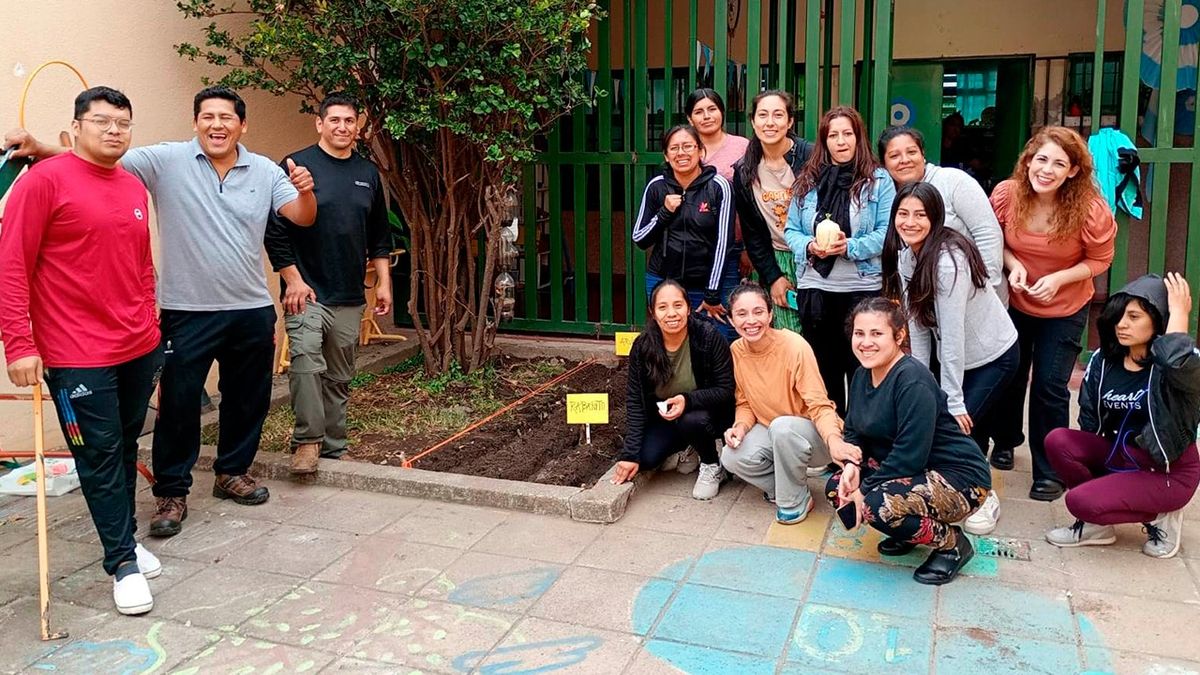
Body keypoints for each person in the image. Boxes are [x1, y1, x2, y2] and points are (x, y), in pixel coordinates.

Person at [3, 86, 318, 536]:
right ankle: (172, 491)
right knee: (179, 405)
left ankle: (232, 472)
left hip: (249, 307)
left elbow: (301, 216)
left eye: (226, 117)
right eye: (207, 116)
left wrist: (306, 193)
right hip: (185, 310)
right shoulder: (165, 161)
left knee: (249, 398)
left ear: (241, 125)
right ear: (195, 122)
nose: (217, 124)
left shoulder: (266, 170)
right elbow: (97, 160)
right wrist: (41, 148)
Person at [0, 87, 162, 614]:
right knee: (98, 453)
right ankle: (122, 562)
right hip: (74, 352)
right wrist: (19, 343)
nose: (114, 131)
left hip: (137, 345)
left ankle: (127, 538)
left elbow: (140, 264)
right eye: (102, 121)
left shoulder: (134, 186)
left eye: (124, 123)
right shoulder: (43, 183)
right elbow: (12, 266)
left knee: (126, 446)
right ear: (76, 127)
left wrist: (150, 321)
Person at [265, 93, 392, 475]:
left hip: (349, 293)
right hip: (306, 290)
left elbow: (380, 235)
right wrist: (292, 280)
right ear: (319, 124)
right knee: (305, 364)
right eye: (334, 120)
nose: (342, 127)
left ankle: (334, 445)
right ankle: (307, 442)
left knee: (339, 374)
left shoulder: (367, 173)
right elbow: (275, 230)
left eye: (349, 121)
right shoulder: (296, 166)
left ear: (358, 127)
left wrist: (383, 283)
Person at [881, 182, 1018, 535]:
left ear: (936, 218)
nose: (910, 222)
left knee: (959, 425)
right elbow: (918, 326)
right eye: (903, 213)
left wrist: (952, 400)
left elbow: (953, 334)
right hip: (958, 355)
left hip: (993, 355)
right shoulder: (907, 255)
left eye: (920, 215)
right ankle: (951, 487)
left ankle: (984, 498)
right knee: (949, 420)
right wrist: (920, 383)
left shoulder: (948, 261)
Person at [989, 126, 1117, 501]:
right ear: (1028, 160)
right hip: (1016, 299)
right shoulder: (1007, 195)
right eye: (1041, 159)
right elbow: (992, 241)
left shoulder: (1090, 209)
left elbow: (1100, 259)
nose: (1046, 169)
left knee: (1049, 385)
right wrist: (1012, 266)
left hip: (1065, 305)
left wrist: (1060, 278)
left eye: (1059, 163)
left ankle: (1049, 468)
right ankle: (1007, 439)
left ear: (1073, 171)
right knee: (1009, 374)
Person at [829, 298, 992, 585]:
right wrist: (851, 466)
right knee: (837, 486)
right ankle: (908, 530)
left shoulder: (912, 379)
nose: (866, 342)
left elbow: (909, 455)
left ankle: (952, 545)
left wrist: (864, 489)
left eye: (876, 334)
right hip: (909, 470)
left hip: (959, 476)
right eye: (859, 333)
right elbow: (853, 430)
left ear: (899, 335)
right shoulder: (860, 375)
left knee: (877, 505)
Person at [1044, 273, 1200, 559]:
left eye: (1134, 317)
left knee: (1079, 501)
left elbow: (1178, 363)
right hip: (1123, 454)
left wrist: (1179, 313)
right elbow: (1090, 420)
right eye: (1119, 317)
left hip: (1168, 470)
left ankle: (1161, 515)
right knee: (1059, 440)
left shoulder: (1178, 367)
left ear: (1158, 320)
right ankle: (1097, 524)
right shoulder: (1104, 361)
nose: (1122, 325)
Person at [784, 106, 895, 415]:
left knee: (862, 367)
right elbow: (790, 229)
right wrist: (809, 245)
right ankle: (832, 440)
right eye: (833, 135)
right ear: (824, 140)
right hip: (816, 288)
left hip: (861, 287)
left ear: (859, 138)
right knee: (824, 367)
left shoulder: (878, 180)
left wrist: (849, 247)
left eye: (848, 134)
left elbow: (887, 234)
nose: (841, 141)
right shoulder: (807, 180)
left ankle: (861, 438)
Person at [720, 283, 860, 524]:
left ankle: (792, 500)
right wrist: (739, 428)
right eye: (741, 314)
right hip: (774, 432)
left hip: (812, 436)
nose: (751, 320)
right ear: (731, 320)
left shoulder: (794, 346)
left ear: (770, 313)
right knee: (731, 456)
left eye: (758, 311)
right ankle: (793, 489)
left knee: (782, 427)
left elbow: (819, 404)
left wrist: (835, 440)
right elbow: (744, 402)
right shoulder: (736, 351)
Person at [612, 279, 734, 500]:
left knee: (692, 420)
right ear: (653, 312)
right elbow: (635, 399)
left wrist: (687, 400)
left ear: (688, 308)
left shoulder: (709, 337)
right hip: (665, 417)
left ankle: (710, 463)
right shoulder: (643, 345)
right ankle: (688, 446)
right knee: (646, 459)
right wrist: (629, 454)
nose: (671, 313)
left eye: (678, 305)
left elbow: (725, 390)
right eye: (663, 307)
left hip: (706, 412)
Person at [632, 125, 735, 341]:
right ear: (666, 156)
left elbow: (724, 242)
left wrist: (713, 293)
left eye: (688, 146)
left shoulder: (719, 187)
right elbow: (640, 238)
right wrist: (664, 213)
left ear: (700, 151)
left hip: (707, 284)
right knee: (665, 345)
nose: (681, 153)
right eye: (674, 148)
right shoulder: (656, 187)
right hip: (663, 281)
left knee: (715, 344)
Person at [877, 126, 1003, 289]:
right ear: (884, 163)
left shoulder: (953, 181)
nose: (904, 160)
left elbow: (987, 233)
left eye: (912, 152)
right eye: (894, 155)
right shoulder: (886, 197)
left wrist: (985, 285)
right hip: (922, 299)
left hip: (972, 293)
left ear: (923, 155)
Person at [731, 90, 815, 333]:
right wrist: (773, 277)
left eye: (778, 115)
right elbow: (753, 233)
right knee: (785, 336)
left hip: (815, 259)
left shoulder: (810, 158)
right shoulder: (745, 170)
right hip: (776, 258)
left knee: (819, 337)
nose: (770, 122)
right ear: (753, 121)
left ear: (789, 122)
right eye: (763, 115)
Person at [686, 88, 750, 290]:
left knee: (729, 309)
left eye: (712, 109)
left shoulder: (742, 147)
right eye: (698, 111)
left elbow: (752, 201)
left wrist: (748, 248)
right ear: (689, 119)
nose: (706, 116)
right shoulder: (685, 149)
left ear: (722, 112)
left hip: (733, 245)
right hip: (690, 246)